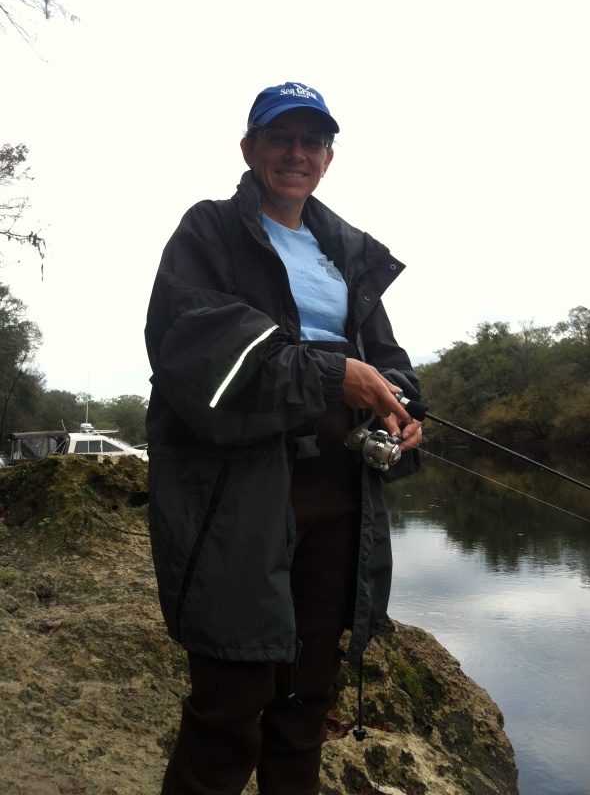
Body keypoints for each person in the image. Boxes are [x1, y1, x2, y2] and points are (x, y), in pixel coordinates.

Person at [145, 81, 423, 795]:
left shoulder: (347, 251)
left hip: (341, 493)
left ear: (328, 158)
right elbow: (194, 350)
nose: (297, 153)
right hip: (239, 495)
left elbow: (387, 359)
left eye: (313, 141)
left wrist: (401, 408)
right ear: (250, 149)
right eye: (280, 137)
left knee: (306, 700)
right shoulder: (208, 231)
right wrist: (334, 375)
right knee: (229, 705)